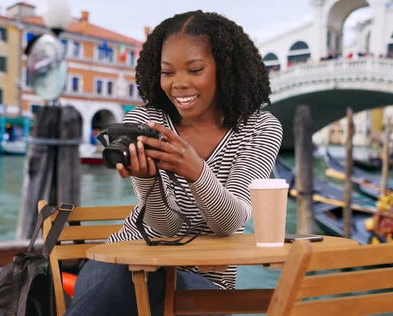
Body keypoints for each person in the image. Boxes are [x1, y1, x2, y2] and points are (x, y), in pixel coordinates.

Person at [65, 10, 283, 316]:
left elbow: (229, 223)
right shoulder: (146, 120)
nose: (178, 84)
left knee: (148, 280)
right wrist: (146, 179)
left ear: (227, 69)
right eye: (168, 72)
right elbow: (164, 227)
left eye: (194, 70)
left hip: (204, 281)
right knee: (132, 275)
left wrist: (196, 172)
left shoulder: (259, 128)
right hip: (120, 261)